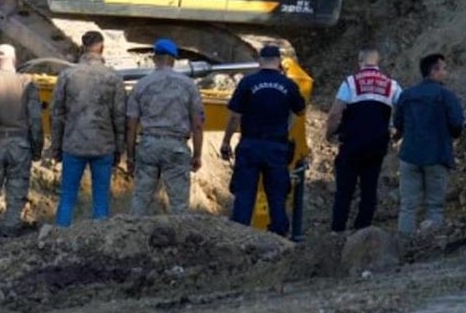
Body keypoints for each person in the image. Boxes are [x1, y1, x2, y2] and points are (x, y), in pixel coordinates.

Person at [220, 44, 306, 236]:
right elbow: (300, 110)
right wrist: (286, 124)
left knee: (244, 195)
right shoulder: (288, 85)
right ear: (279, 62)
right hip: (277, 147)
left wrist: (226, 142)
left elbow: (234, 116)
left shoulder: (248, 83)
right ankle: (279, 239)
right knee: (277, 196)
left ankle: (238, 236)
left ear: (260, 61)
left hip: (250, 145)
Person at [50, 31, 127, 227]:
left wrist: (56, 147)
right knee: (101, 199)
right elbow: (119, 117)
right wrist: (119, 149)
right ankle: (98, 238)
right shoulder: (113, 78)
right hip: (103, 146)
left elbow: (57, 114)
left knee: (67, 197)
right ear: (102, 48)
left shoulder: (67, 75)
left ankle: (59, 237)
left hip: (73, 145)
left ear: (82, 48)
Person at [126, 39, 204, 215]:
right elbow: (198, 124)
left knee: (140, 199)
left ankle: (133, 230)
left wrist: (130, 156)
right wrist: (197, 154)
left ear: (154, 58)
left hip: (148, 145)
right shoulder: (189, 85)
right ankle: (179, 231)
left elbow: (131, 125)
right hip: (176, 146)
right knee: (179, 205)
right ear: (173, 60)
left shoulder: (141, 85)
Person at [327, 47, 401, 232]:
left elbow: (335, 113)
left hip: (352, 143)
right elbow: (405, 106)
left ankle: (337, 231)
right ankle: (363, 230)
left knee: (344, 190)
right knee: (369, 189)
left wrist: (329, 133)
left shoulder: (350, 82)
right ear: (378, 62)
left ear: (360, 61)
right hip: (377, 144)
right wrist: (397, 130)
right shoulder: (391, 84)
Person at [395, 53, 465, 234]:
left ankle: (404, 243)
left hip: (409, 156)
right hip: (437, 155)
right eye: (444, 69)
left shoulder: (406, 95)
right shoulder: (445, 95)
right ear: (434, 71)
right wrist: (452, 135)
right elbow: (457, 123)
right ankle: (432, 244)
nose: (446, 73)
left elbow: (398, 123)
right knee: (434, 206)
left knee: (408, 206)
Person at [0, 44, 43, 233]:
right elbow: (35, 120)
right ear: (14, 60)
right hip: (20, 145)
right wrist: (36, 149)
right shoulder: (26, 83)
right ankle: (10, 228)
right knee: (16, 191)